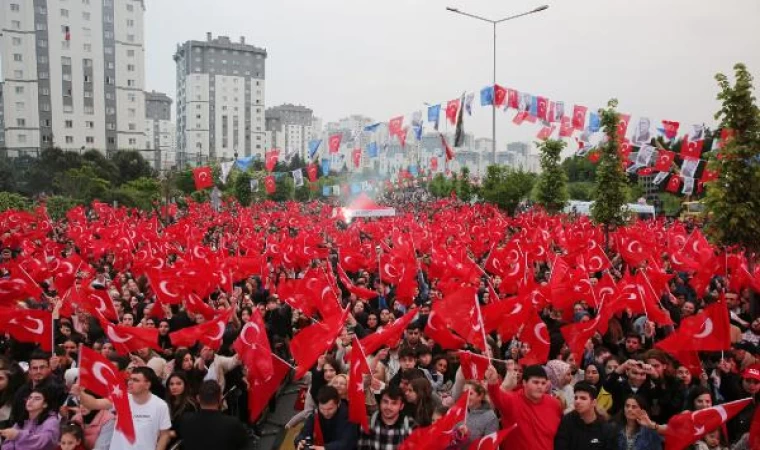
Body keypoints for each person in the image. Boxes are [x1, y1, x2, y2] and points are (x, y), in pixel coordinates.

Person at [75, 367, 172, 450]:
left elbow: (165, 434)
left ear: (147, 385)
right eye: (130, 379)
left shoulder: (161, 405)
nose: (130, 382)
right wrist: (80, 394)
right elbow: (93, 404)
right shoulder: (121, 398)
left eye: (136, 380)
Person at [485, 364, 562, 450]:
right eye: (535, 382)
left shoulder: (554, 404)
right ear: (524, 382)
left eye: (543, 383)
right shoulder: (511, 400)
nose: (540, 386)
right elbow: (496, 395)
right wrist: (493, 381)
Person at [176, 380, 248, 450]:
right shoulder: (233, 424)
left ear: (198, 398)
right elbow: (242, 444)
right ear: (220, 399)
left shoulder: (185, 420)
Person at [554, 382, 617, 450]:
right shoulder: (567, 421)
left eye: (583, 398)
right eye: (576, 398)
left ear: (593, 403)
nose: (577, 401)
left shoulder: (605, 429)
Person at [295, 386, 357, 450]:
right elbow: (304, 433)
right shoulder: (315, 414)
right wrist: (300, 441)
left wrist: (325, 448)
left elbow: (347, 443)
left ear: (338, 404)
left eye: (330, 409)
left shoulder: (349, 416)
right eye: (322, 408)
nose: (326, 413)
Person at [12, 353, 66, 425]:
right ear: (29, 371)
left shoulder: (57, 390)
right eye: (34, 368)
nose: (38, 371)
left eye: (42, 367)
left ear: (49, 369)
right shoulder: (22, 391)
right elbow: (16, 416)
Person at [357, 385, 415, 450]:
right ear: (380, 403)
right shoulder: (368, 422)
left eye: (394, 403)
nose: (388, 407)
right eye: (385, 401)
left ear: (401, 406)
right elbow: (363, 447)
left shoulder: (410, 425)